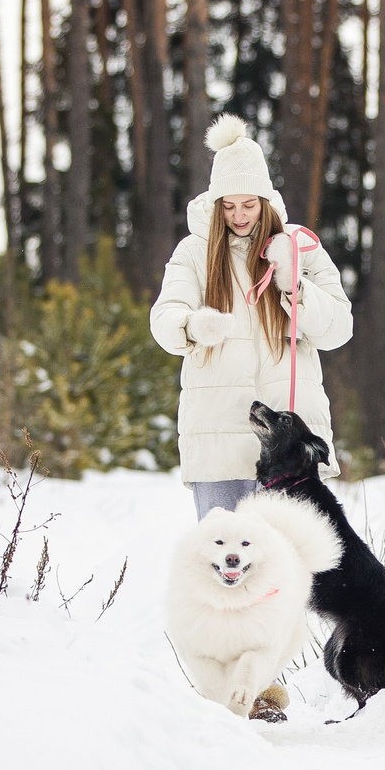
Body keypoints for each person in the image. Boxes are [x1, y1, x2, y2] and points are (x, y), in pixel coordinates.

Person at [150, 116, 353, 515]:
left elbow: (339, 330)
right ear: (215, 206)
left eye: (248, 205)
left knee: (294, 572)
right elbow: (164, 317)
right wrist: (192, 325)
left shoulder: (300, 248)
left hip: (291, 450)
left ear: (265, 202)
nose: (239, 216)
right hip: (219, 443)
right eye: (228, 206)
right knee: (229, 568)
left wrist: (295, 288)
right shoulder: (193, 252)